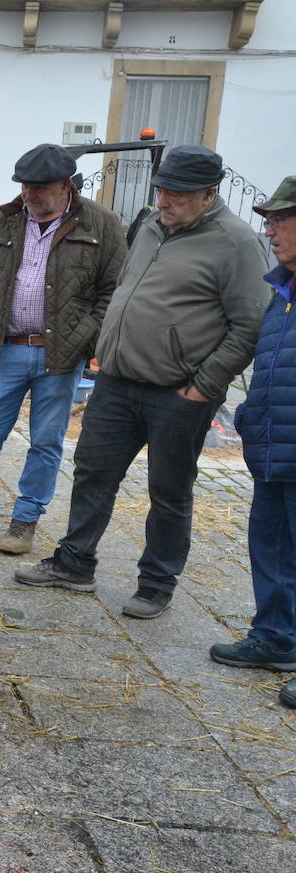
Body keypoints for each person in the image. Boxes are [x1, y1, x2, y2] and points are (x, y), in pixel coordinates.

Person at [15, 145, 270, 618]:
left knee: (169, 491)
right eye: (162, 190)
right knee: (93, 472)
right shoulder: (152, 225)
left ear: (210, 194)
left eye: (178, 194)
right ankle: (74, 563)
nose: (166, 200)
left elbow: (250, 326)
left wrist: (204, 385)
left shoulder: (237, 244)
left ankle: (156, 583)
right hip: (116, 381)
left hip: (178, 392)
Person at [0, 143, 127, 555]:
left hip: (61, 353)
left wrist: (85, 338)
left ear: (65, 185)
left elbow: (114, 291)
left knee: (46, 441)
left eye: (39, 188)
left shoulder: (101, 224)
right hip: (6, 348)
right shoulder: (6, 222)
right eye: (25, 187)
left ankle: (25, 520)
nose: (30, 195)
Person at [210, 177, 296, 711]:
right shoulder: (281, 292)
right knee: (272, 549)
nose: (270, 228)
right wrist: (249, 417)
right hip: (272, 451)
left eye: (281, 219)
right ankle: (277, 637)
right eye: (269, 219)